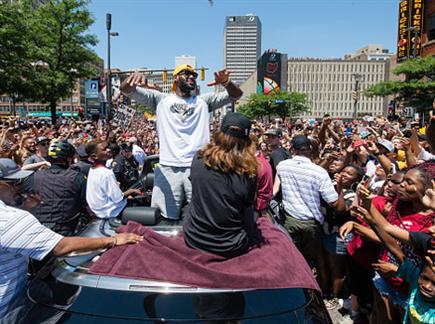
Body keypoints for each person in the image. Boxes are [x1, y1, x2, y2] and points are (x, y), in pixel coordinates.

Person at [0, 159, 143, 319]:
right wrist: (113, 240)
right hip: (6, 309)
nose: (20, 188)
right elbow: (61, 246)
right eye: (15, 183)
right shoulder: (9, 219)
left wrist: (25, 208)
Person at [121, 64, 243, 222]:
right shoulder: (160, 100)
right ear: (176, 77)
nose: (191, 76)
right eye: (186, 73)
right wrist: (130, 80)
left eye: (194, 75)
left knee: (203, 216)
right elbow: (126, 90)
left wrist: (226, 83)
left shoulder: (203, 102)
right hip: (168, 168)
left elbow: (236, 95)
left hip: (200, 167)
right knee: (164, 218)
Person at [273, 135, 345, 292]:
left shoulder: (283, 166)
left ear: (292, 149)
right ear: (310, 150)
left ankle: (293, 288)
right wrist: (340, 190)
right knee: (318, 260)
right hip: (311, 223)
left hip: (290, 221)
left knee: (292, 258)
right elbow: (334, 203)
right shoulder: (319, 172)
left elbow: (275, 189)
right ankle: (322, 291)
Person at [183, 112, 260, 258]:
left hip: (194, 238)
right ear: (247, 140)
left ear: (220, 133)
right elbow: (248, 205)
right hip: (231, 245)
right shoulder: (249, 171)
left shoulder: (198, 158)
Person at [21, 140, 87, 236]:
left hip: (36, 232)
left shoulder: (33, 177)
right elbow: (86, 204)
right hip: (65, 233)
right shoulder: (77, 177)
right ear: (69, 159)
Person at [85, 140, 141, 219]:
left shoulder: (92, 169)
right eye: (104, 149)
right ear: (94, 156)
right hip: (112, 212)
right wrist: (132, 191)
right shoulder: (106, 173)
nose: (108, 150)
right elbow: (118, 198)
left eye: (108, 147)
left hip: (100, 211)